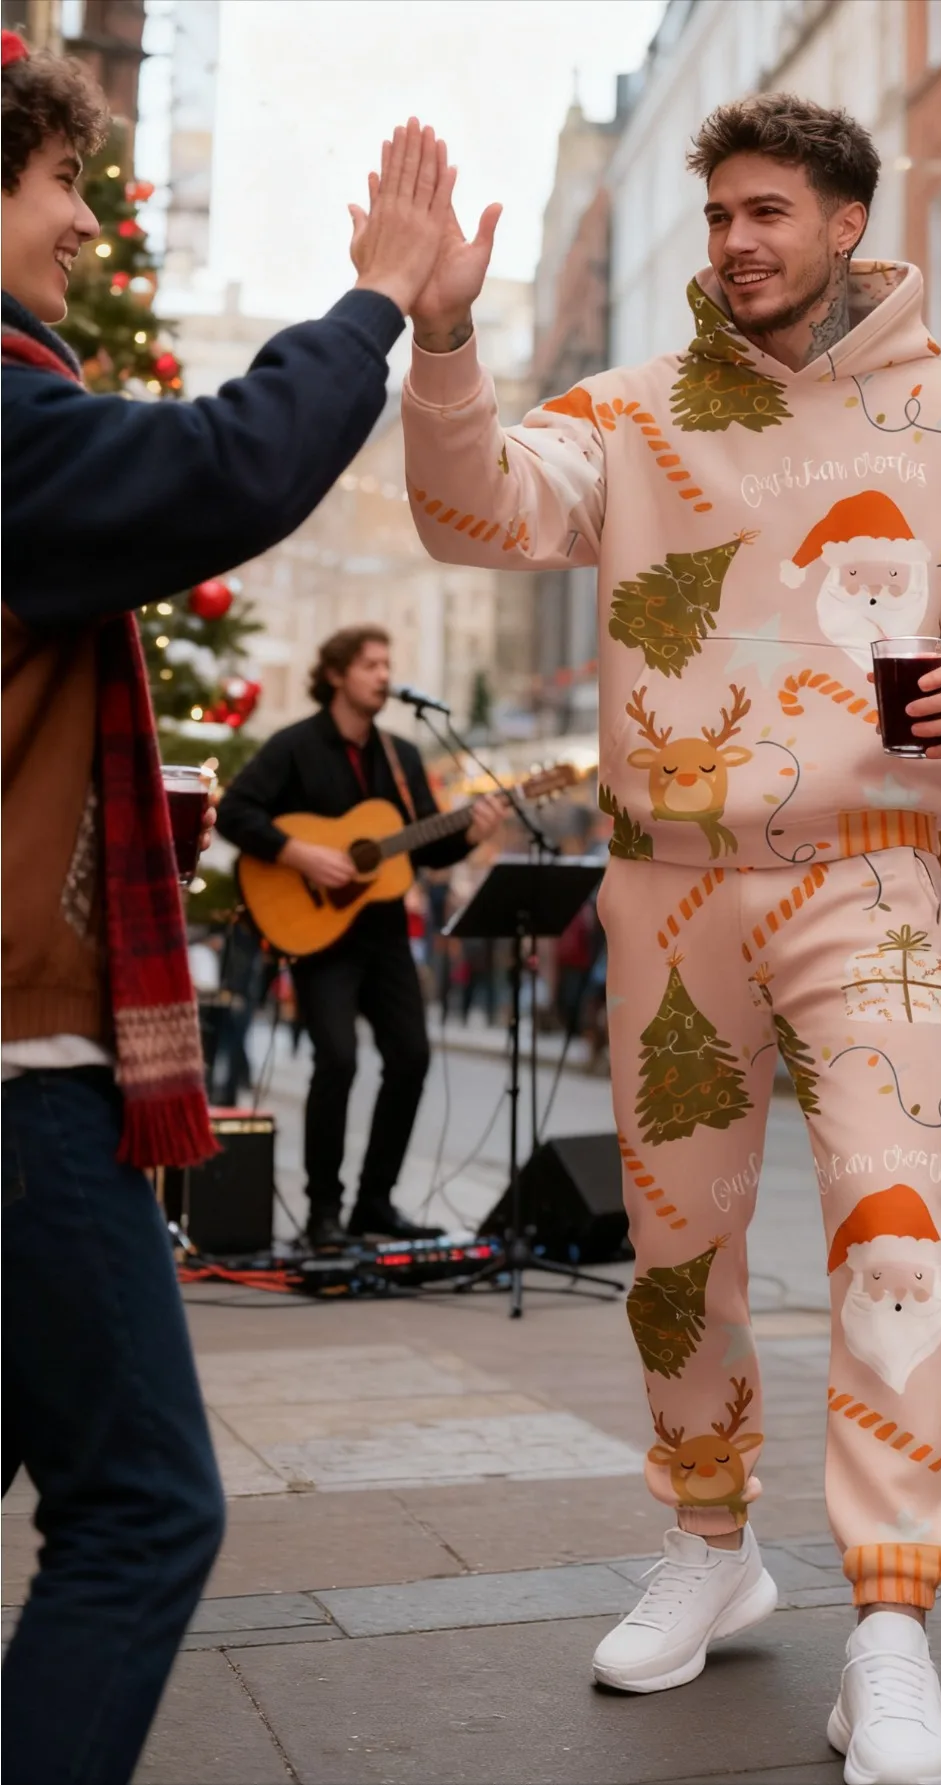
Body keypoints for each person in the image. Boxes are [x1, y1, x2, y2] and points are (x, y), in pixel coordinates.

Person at [401, 91, 941, 1785]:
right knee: (678, 1244)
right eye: (719, 218)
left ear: (847, 221)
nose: (739, 243)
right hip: (667, 878)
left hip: (872, 873)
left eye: (769, 212)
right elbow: (476, 516)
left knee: (897, 1223)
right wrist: (452, 342)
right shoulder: (627, 416)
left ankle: (891, 1622)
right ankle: (710, 1541)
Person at [1, 30, 452, 1785]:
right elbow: (221, 471)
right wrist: (374, 305)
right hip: (27, 1074)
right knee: (146, 1514)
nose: (77, 227)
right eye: (53, 185)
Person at [216, 627, 505, 1249]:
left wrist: (475, 831)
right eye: (371, 664)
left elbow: (427, 848)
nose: (383, 675)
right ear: (338, 674)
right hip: (321, 938)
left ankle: (375, 1204)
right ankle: (324, 1211)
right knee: (338, 1060)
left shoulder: (401, 756)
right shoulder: (294, 746)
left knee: (412, 1058)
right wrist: (300, 855)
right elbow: (237, 812)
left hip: (383, 936)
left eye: (387, 664)